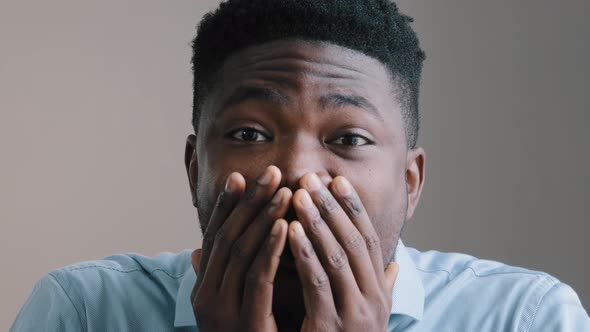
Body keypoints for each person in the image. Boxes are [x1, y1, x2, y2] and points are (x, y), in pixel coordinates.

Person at [11, 0, 590, 331]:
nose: (297, 174)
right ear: (195, 170)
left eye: (350, 138)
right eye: (248, 133)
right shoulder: (83, 313)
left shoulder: (525, 319)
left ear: (410, 184)